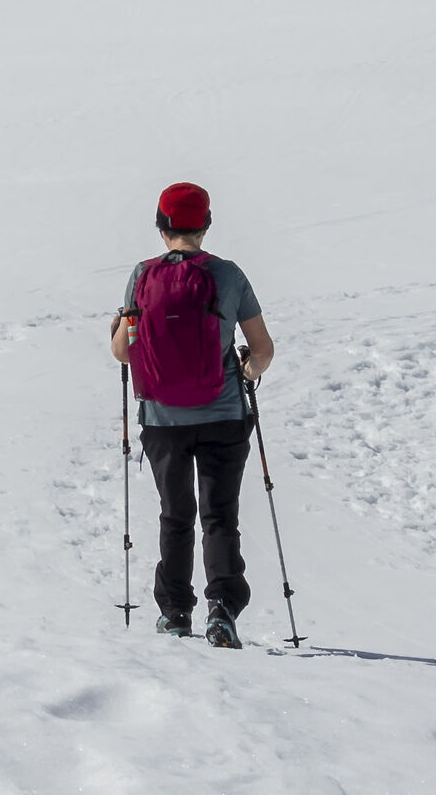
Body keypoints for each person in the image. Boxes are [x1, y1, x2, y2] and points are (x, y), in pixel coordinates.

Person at [108, 180, 274, 648]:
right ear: (205, 225)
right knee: (220, 516)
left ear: (161, 226)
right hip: (222, 416)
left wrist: (120, 329)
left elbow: (124, 353)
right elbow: (262, 350)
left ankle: (176, 611)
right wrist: (246, 367)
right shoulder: (227, 275)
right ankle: (222, 610)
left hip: (162, 421)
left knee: (175, 514)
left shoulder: (142, 275)